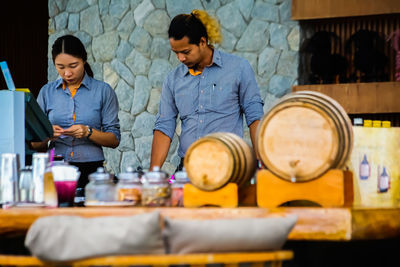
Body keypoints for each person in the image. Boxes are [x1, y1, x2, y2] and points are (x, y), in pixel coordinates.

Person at [150, 10, 264, 171]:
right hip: (187, 169)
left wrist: (261, 164)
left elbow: (255, 116)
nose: (180, 58)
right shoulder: (173, 79)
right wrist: (152, 175)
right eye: (176, 53)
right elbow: (164, 126)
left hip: (229, 167)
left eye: (186, 52)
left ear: (202, 42)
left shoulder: (238, 68)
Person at [33, 35, 120, 204]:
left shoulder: (103, 91)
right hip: (56, 169)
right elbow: (35, 144)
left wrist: (88, 132)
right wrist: (48, 135)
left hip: (91, 170)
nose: (67, 73)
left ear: (84, 60)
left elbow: (114, 139)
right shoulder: (47, 92)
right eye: (60, 67)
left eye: (73, 66)